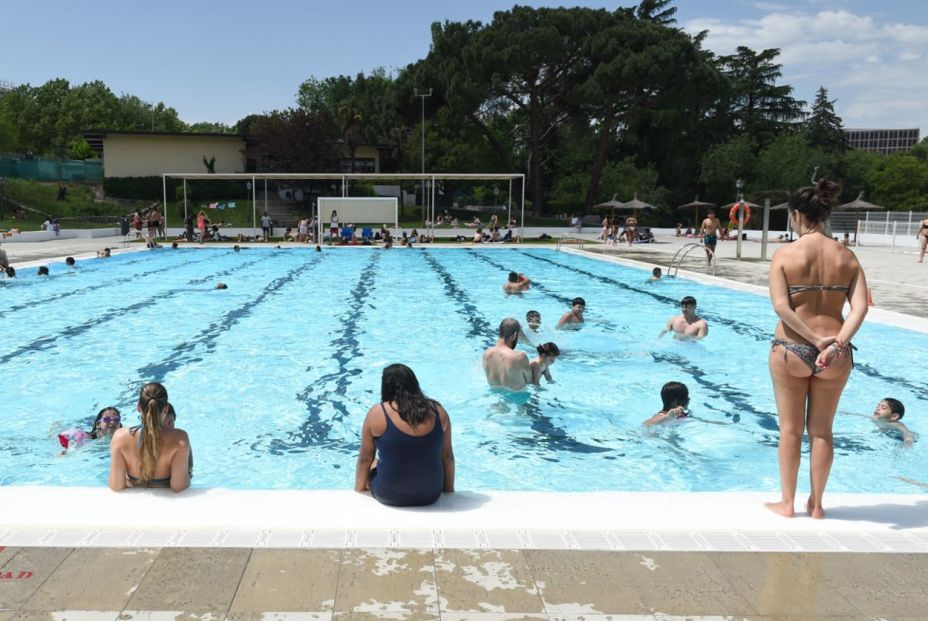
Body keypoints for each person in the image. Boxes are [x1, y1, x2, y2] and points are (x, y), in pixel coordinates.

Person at [765, 178, 869, 520]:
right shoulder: (847, 256)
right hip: (836, 356)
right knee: (822, 431)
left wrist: (812, 338)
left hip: (792, 348)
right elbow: (860, 309)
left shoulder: (785, 254)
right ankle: (817, 504)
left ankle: (787, 504)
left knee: (790, 430)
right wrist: (836, 343)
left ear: (797, 215)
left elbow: (782, 308)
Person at [354, 364, 454, 506]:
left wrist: (358, 491)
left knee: (374, 463)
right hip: (431, 494)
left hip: (390, 494)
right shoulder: (439, 411)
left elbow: (365, 458)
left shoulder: (378, 413)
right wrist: (448, 492)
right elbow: (447, 456)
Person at [108, 382, 191, 492]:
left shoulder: (120, 437)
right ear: (166, 409)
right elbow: (178, 487)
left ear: (138, 407)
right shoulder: (179, 439)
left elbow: (116, 486)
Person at [483, 318, 532, 390]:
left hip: (496, 398)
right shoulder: (519, 357)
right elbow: (530, 382)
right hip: (518, 399)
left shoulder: (486, 354)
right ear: (514, 335)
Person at [58, 406, 122, 452]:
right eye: (107, 419)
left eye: (116, 419)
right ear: (98, 424)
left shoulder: (124, 441)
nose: (112, 422)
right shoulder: (84, 439)